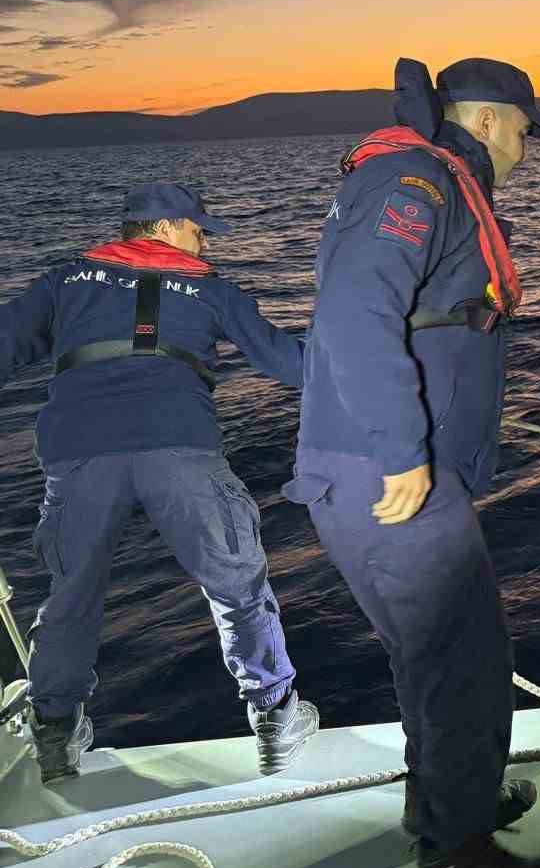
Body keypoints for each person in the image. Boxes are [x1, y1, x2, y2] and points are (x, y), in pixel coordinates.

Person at [284, 58, 540, 868]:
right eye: (523, 128)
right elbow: (352, 316)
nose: (528, 146)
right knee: (468, 662)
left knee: (432, 656)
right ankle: (461, 863)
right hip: (388, 473)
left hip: (374, 464)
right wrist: (405, 448)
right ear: (485, 121)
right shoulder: (415, 182)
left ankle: (447, 804)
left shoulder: (426, 180)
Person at [0, 183, 318, 782]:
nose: (206, 244)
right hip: (182, 449)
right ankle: (275, 719)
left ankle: (54, 736)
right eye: (200, 231)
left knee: (72, 596)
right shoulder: (213, 289)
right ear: (167, 227)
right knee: (235, 583)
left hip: (80, 452)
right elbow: (291, 365)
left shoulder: (64, 282)